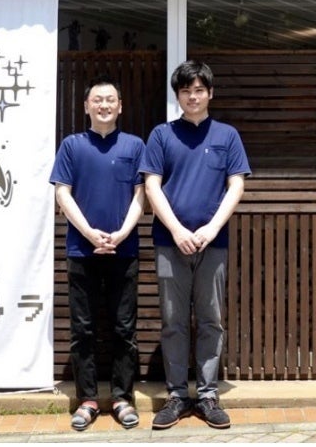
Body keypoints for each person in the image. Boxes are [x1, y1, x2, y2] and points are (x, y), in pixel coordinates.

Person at [140, 60, 251, 430]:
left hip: (213, 244)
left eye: (199, 90)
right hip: (168, 243)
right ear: (177, 95)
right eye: (186, 90)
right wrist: (176, 230)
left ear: (210, 93)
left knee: (210, 320)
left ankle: (207, 395)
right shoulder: (162, 135)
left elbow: (236, 185)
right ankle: (176, 395)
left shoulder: (227, 136)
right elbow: (152, 185)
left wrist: (211, 228)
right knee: (173, 321)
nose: (193, 96)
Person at [49, 75, 146, 431]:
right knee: (83, 329)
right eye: (97, 100)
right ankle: (87, 399)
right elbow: (62, 193)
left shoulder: (135, 145)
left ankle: (122, 398)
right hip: (81, 251)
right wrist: (89, 233)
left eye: (110, 100)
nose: (104, 105)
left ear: (120, 107)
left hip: (124, 250)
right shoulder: (72, 146)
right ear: (86, 106)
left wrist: (122, 233)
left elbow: (142, 194)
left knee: (123, 328)